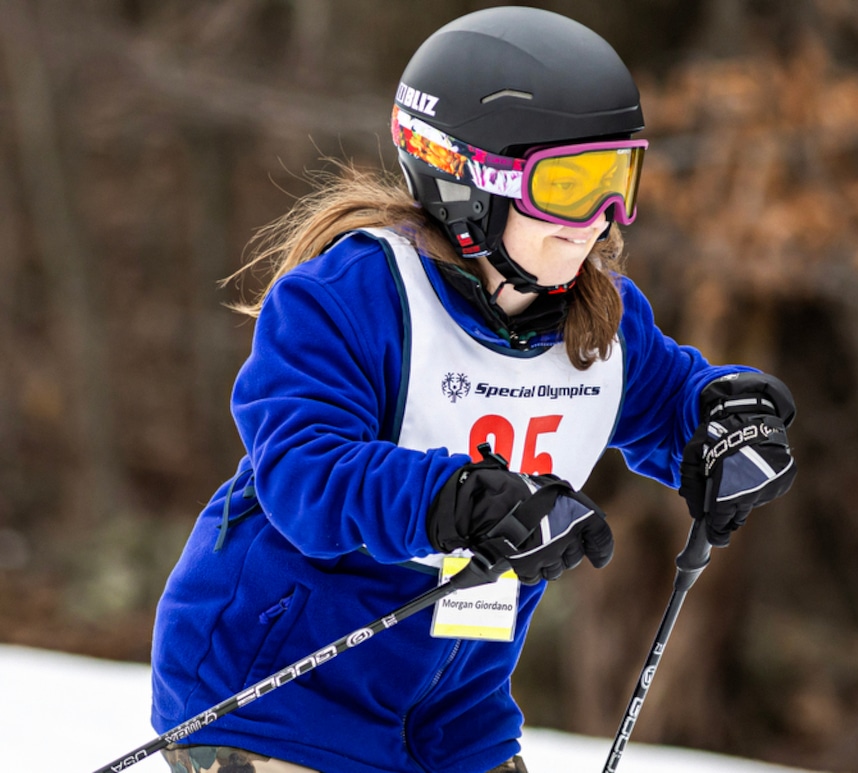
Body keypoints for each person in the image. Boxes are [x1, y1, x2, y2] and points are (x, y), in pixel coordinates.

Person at [149, 7, 797, 773]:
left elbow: (671, 402)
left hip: (451, 714)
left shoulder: (599, 324)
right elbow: (303, 472)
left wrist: (722, 422)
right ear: (467, 182)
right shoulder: (355, 297)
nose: (597, 220)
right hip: (277, 692)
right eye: (566, 185)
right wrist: (458, 500)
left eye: (616, 179)